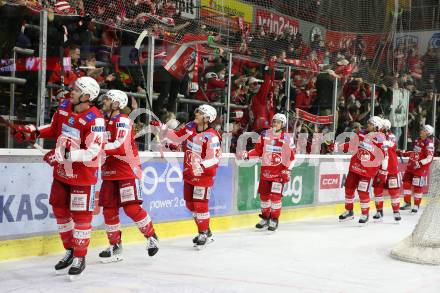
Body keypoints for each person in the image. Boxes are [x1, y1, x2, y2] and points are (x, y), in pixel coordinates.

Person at [13, 77, 104, 280]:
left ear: (87, 96)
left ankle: (80, 257)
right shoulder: (64, 105)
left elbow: (92, 152)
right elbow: (54, 128)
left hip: (83, 177)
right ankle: (70, 250)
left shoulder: (95, 120)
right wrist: (33, 132)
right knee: (60, 211)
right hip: (62, 174)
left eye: (76, 89)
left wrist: (61, 155)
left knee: (81, 218)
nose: (71, 91)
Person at [98, 90, 159, 263]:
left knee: (131, 208)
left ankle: (152, 237)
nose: (104, 101)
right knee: (109, 209)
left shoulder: (123, 120)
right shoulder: (102, 121)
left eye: (108, 99)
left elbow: (119, 146)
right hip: (109, 171)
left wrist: (96, 148)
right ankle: (115, 246)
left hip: (127, 169)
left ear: (117, 104)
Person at [151, 104, 221, 249]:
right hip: (189, 173)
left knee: (200, 205)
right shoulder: (189, 127)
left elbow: (214, 159)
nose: (196, 114)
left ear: (208, 118)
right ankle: (206, 231)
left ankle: (203, 233)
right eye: (197, 112)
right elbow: (176, 136)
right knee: (191, 205)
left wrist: (201, 166)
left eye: (200, 113)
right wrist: (161, 127)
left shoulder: (212, 137)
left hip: (203, 176)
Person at [241, 113, 296, 231]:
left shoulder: (286, 137)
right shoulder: (265, 134)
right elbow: (258, 151)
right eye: (274, 121)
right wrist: (248, 154)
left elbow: (292, 158)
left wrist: (288, 170)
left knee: (275, 198)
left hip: (279, 174)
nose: (276, 124)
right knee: (264, 197)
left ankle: (274, 219)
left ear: (283, 124)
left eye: (278, 122)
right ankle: (266, 218)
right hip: (266, 173)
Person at [338, 116, 388, 224]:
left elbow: (384, 156)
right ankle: (349, 211)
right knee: (349, 188)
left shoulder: (380, 138)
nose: (367, 125)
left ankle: (365, 214)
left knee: (362, 191)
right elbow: (351, 144)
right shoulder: (360, 133)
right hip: (355, 167)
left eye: (370, 123)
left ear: (376, 126)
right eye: (368, 123)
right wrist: (339, 146)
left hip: (367, 170)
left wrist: (383, 172)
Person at [398, 124, 435, 213]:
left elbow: (429, 157)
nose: (421, 131)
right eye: (422, 129)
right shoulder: (417, 140)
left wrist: (420, 163)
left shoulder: (429, 143)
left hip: (420, 169)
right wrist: (404, 153)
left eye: (423, 130)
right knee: (406, 184)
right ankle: (407, 203)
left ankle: (416, 205)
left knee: (417, 187)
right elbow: (415, 152)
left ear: (427, 133)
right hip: (411, 166)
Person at [372, 119, 401, 222]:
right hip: (379, 168)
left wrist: (380, 138)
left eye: (381, 127)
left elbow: (390, 144)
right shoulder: (376, 136)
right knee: (377, 190)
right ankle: (379, 211)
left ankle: (396, 211)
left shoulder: (391, 136)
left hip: (391, 168)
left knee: (394, 191)